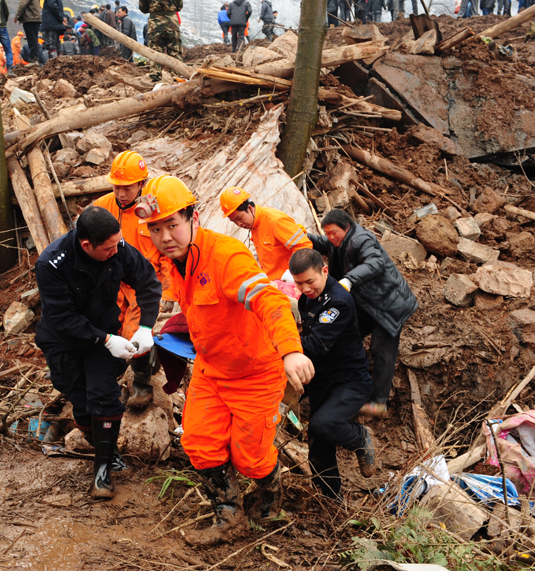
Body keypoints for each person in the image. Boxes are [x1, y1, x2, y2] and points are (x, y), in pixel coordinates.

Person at [139, 175, 314, 547]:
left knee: (251, 459)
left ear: (194, 218)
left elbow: (270, 300)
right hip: (210, 369)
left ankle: (270, 501)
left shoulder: (226, 257)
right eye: (156, 228)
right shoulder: (169, 261)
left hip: (255, 372)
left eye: (173, 225)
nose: (165, 236)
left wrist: (291, 349)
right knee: (199, 444)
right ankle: (228, 514)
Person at [35, 207, 162, 500]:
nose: (116, 251)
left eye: (118, 244)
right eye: (108, 248)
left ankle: (102, 471)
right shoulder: (51, 263)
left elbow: (147, 282)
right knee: (80, 402)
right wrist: (105, 340)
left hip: (105, 329)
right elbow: (63, 318)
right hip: (63, 338)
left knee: (103, 396)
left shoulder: (118, 249)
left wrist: (145, 327)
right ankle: (108, 448)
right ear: (86, 245)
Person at [308, 209, 418, 417]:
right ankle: (339, 378)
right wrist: (301, 237)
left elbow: (375, 263)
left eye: (334, 233)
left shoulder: (362, 239)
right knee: (347, 333)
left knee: (381, 350)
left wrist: (349, 280)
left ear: (347, 227)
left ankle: (378, 403)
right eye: (328, 233)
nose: (331, 237)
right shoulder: (337, 241)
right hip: (367, 303)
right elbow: (321, 243)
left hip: (390, 305)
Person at [289, 248, 376, 499]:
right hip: (322, 381)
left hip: (349, 381)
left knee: (324, 424)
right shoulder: (308, 299)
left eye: (309, 281)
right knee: (317, 445)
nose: (305, 289)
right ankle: (330, 501)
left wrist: (283, 341)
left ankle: (361, 437)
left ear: (324, 271)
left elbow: (315, 344)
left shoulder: (338, 301)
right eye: (298, 283)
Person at [91, 152, 169, 410]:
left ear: (141, 184)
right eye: (117, 187)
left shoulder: (153, 209)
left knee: (136, 331)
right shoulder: (101, 207)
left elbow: (169, 248)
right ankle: (108, 372)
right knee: (109, 326)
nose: (122, 193)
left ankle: (142, 384)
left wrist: (167, 284)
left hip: (142, 282)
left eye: (127, 187)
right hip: (111, 279)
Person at [219, 187, 312, 280]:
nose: (239, 224)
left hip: (289, 282)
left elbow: (304, 246)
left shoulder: (275, 220)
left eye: (239, 218)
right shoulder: (255, 226)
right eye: (234, 221)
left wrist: (292, 274)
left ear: (250, 208)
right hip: (274, 282)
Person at [140, 0, 183, 80]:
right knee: (174, 51)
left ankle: (155, 77)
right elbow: (179, 6)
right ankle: (177, 76)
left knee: (155, 50)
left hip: (155, 24)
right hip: (171, 23)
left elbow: (143, 8)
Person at [16, 0, 46, 66]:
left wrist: (17, 17)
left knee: (31, 40)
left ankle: (34, 59)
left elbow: (22, 4)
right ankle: (35, 58)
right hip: (35, 18)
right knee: (34, 40)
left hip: (30, 19)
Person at [0, 0, 17, 77]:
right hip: (1, 26)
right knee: (8, 49)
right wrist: (4, 22)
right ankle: (9, 69)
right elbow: (6, 11)